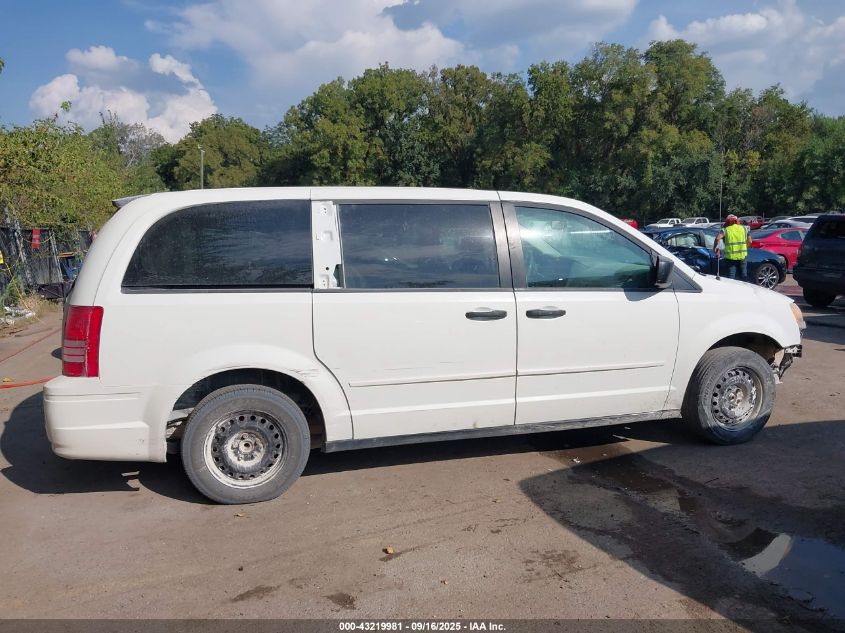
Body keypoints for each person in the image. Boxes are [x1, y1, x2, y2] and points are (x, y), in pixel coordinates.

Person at [714, 214, 752, 281]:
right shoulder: (744, 228)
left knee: (731, 278)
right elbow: (750, 241)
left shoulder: (726, 230)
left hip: (731, 258)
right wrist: (745, 248)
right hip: (743, 256)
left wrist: (715, 248)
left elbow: (717, 239)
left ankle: (732, 290)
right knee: (744, 276)